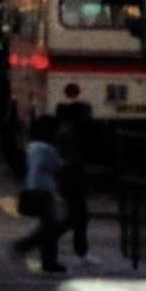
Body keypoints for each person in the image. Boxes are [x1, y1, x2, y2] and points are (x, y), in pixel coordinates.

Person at [11, 116, 69, 272]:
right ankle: (35, 251)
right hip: (45, 190)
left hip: (31, 187)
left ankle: (44, 257)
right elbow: (60, 167)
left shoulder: (32, 146)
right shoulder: (48, 149)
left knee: (47, 225)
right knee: (50, 227)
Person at [54, 101, 93, 261]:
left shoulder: (66, 130)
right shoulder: (68, 132)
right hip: (71, 180)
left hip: (70, 179)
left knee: (78, 217)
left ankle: (81, 251)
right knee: (78, 217)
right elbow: (70, 158)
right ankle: (43, 238)